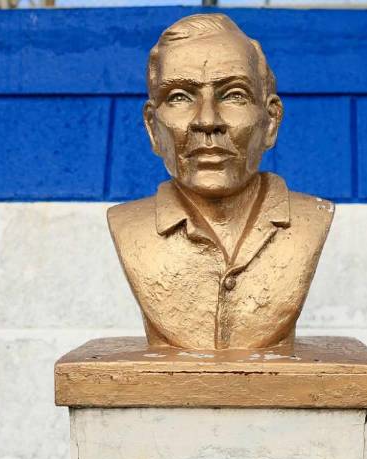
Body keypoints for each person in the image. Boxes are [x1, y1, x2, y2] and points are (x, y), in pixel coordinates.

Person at [108, 14, 334, 351]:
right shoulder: (128, 226)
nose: (207, 121)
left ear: (271, 120)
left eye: (234, 95)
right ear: (152, 127)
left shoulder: (311, 219)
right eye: (180, 97)